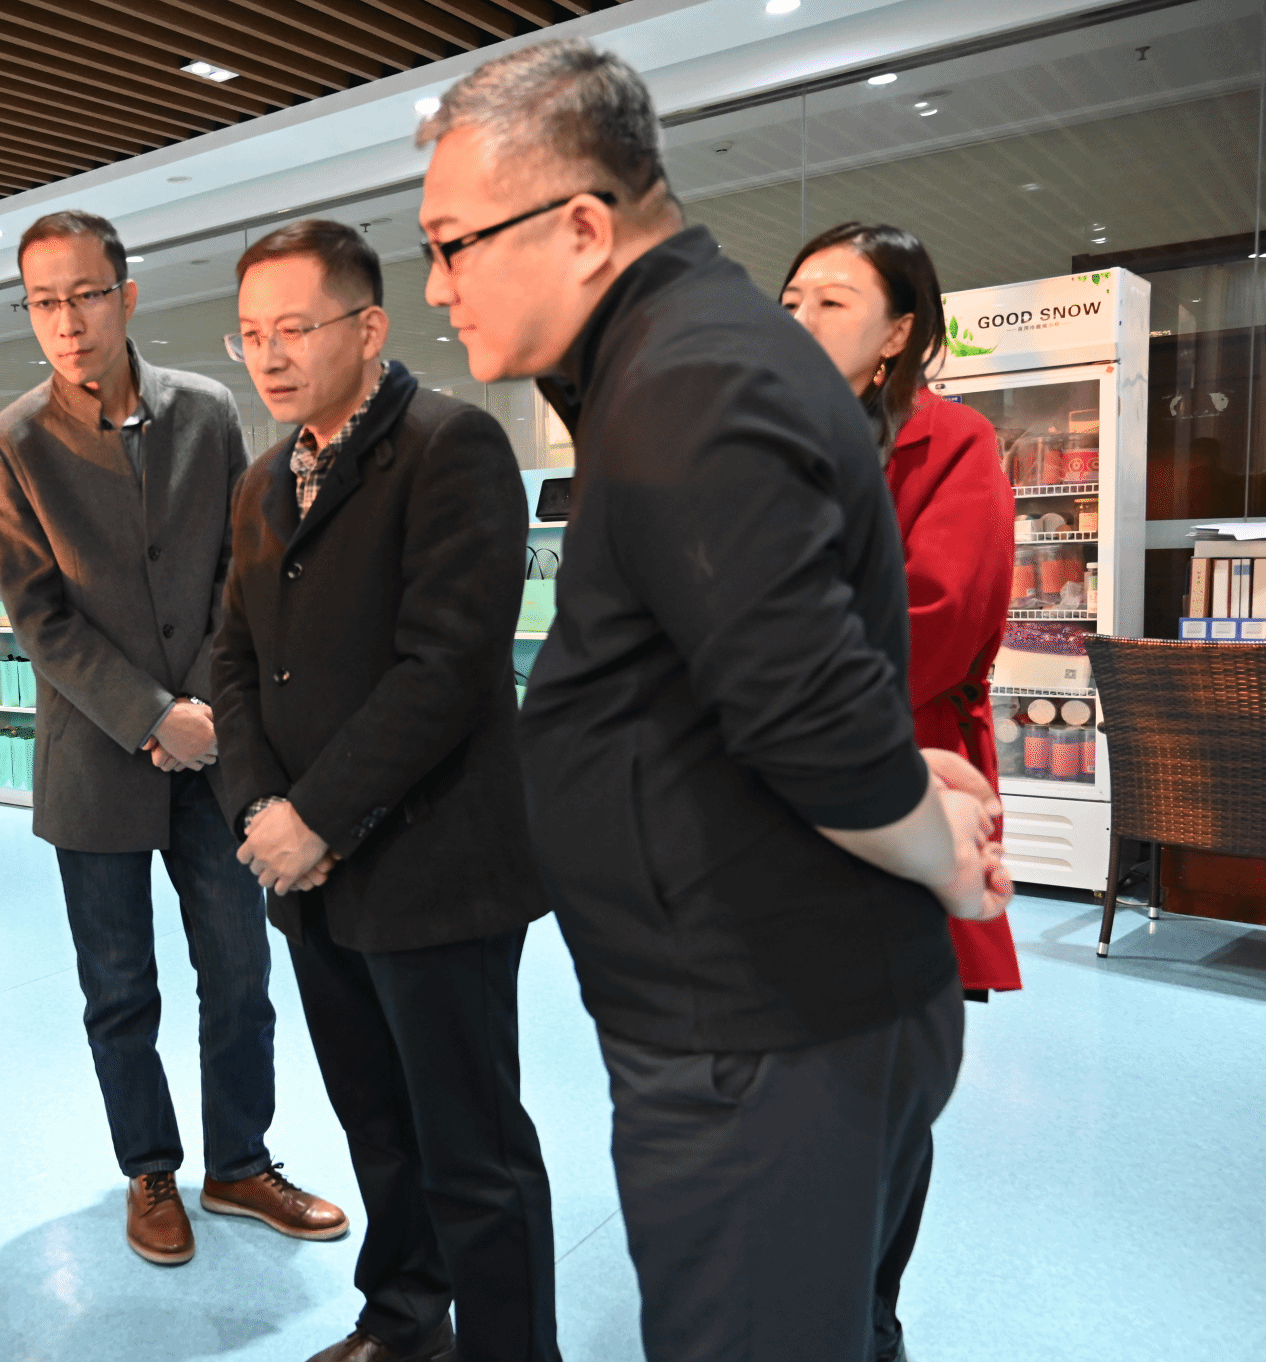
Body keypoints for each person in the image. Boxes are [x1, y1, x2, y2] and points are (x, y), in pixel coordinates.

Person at [416, 41, 1013, 1362]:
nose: (438, 285)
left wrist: (928, 837)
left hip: (763, 1033)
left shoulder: (688, 378)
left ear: (582, 228)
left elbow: (806, 708)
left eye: (454, 245)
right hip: (759, 1011)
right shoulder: (674, 361)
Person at [213, 220, 559, 1362]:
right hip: (310, 881)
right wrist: (260, 813)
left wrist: (315, 817)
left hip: (433, 866)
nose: (269, 356)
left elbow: (446, 665)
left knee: (471, 1143)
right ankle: (406, 1321)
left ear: (368, 328)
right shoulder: (262, 479)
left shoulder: (450, 445)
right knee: (375, 1123)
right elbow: (232, 662)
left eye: (294, 328)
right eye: (250, 335)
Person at [0, 210, 344, 1267]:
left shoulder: (206, 411)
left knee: (239, 971)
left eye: (84, 295)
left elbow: (240, 569)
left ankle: (240, 1164)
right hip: (95, 760)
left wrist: (204, 713)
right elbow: (39, 617)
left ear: (125, 297)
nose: (66, 322)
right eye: (43, 302)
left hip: (215, 752)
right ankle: (150, 1171)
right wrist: (150, 716)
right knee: (119, 987)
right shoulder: (8, 445)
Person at [783, 222, 1022, 1362]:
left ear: (896, 335)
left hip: (901, 793)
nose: (797, 320)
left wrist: (765, 691)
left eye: (829, 302)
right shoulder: (757, 444)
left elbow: (936, 619)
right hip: (764, 813)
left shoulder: (951, 443)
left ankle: (863, 1328)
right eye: (788, 299)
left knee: (879, 1094)